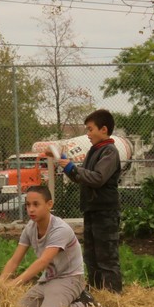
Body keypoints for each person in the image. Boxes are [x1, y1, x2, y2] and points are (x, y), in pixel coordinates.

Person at [51, 108, 123, 293]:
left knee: (106, 256)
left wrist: (73, 169)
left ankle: (112, 295)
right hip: (93, 209)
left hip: (105, 212)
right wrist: (66, 164)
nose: (88, 134)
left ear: (104, 129)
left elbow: (97, 178)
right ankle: (97, 292)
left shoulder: (110, 152)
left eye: (90, 129)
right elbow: (83, 176)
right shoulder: (95, 150)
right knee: (92, 256)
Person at [0, 184, 90, 307]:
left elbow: (44, 261)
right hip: (47, 279)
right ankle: (59, 301)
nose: (31, 209)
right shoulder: (30, 228)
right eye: (28, 205)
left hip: (69, 279)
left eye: (36, 204)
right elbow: (14, 260)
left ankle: (84, 304)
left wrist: (14, 283)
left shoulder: (60, 230)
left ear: (49, 205)